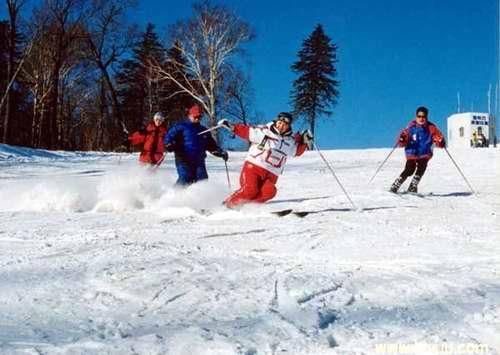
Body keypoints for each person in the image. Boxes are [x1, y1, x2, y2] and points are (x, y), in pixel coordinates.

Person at [219, 112, 313, 208]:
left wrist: (304, 141)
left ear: (288, 126)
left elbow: (297, 152)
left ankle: (248, 207)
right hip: (254, 168)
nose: (281, 126)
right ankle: (225, 206)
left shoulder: (290, 142)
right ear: (276, 122)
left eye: (284, 125)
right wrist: (231, 126)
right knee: (250, 190)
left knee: (270, 192)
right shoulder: (264, 132)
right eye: (279, 123)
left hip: (271, 174)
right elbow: (246, 131)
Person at [163, 103, 228, 185]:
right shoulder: (181, 126)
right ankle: (174, 195)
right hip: (184, 159)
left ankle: (198, 197)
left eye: (199, 117)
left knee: (202, 181)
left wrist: (220, 152)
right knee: (186, 178)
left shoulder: (204, 130)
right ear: (189, 115)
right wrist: (168, 144)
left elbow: (211, 146)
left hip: (199, 161)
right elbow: (169, 136)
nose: (197, 119)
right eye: (195, 117)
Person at [390, 106, 445, 193]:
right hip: (412, 152)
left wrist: (440, 141)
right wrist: (402, 139)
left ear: (426, 117)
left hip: (425, 152)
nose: (421, 118)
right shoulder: (411, 127)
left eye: (423, 117)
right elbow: (402, 141)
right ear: (416, 117)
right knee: (409, 169)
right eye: (419, 116)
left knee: (422, 167)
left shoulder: (431, 128)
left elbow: (438, 138)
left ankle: (413, 186)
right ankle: (396, 185)